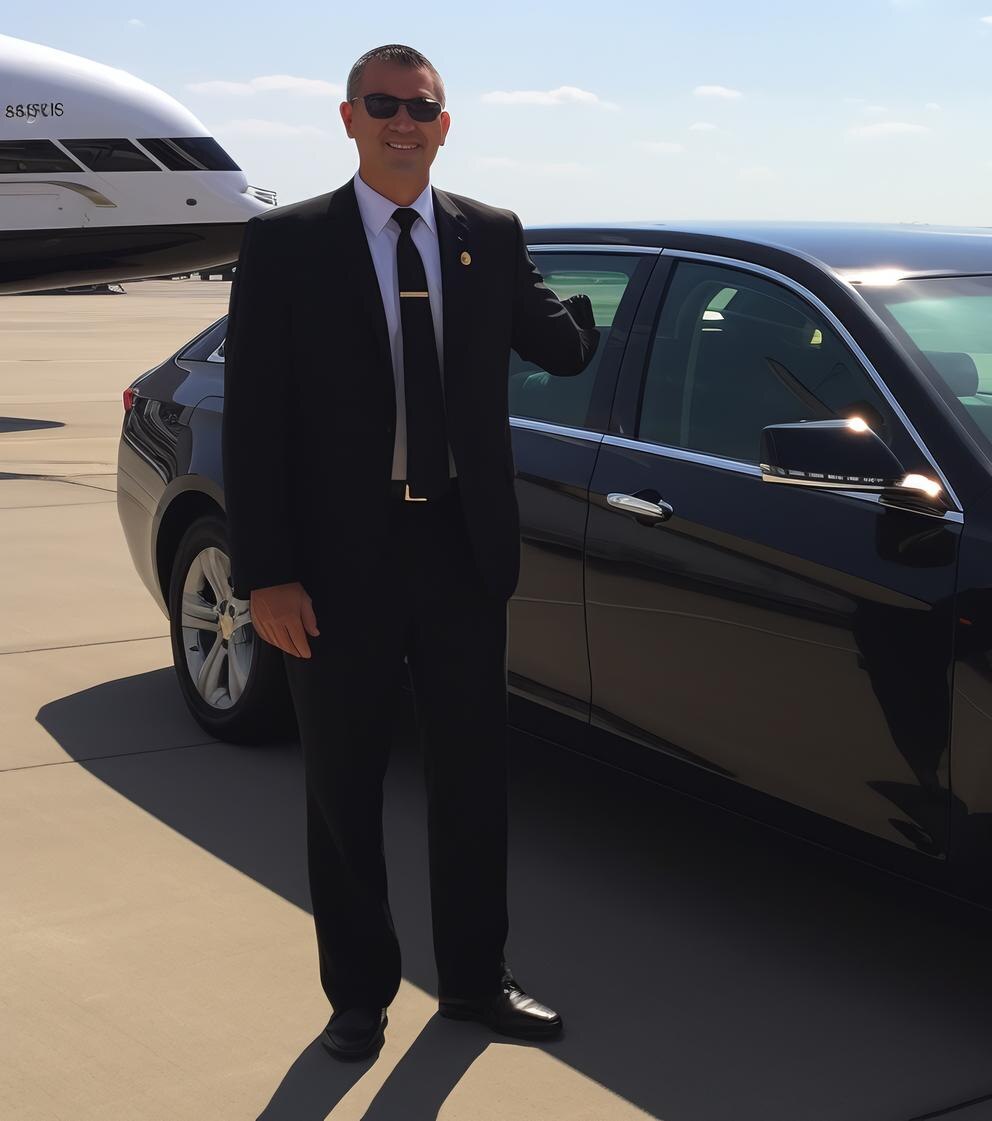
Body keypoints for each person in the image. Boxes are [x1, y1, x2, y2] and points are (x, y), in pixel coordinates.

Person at [222, 43, 599, 1062]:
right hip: (332, 563)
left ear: (445, 125)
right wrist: (265, 573)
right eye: (383, 104)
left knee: (473, 779)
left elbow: (561, 347)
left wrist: (590, 306)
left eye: (421, 107)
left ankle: (476, 980)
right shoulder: (287, 242)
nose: (404, 121)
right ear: (348, 117)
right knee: (342, 785)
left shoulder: (488, 234)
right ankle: (358, 995)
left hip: (458, 549)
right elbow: (252, 418)